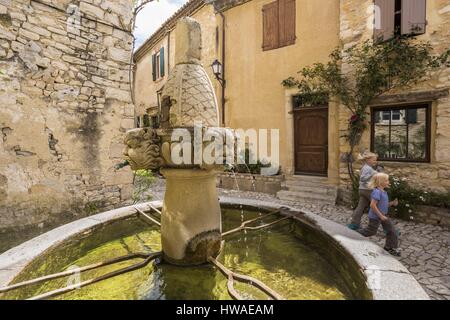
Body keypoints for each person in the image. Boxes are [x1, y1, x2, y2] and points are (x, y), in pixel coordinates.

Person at [358, 173, 400, 256]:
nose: (388, 182)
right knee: (370, 231)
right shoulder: (377, 192)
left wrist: (391, 203)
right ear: (381, 182)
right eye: (387, 180)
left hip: (383, 216)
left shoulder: (383, 192)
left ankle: (389, 247)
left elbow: (382, 205)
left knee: (391, 231)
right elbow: (372, 205)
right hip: (376, 217)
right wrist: (380, 216)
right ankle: (353, 233)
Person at [348, 151, 382, 230]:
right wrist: (373, 173)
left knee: (360, 207)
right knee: (380, 207)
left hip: (363, 190)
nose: (375, 161)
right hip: (368, 190)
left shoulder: (367, 167)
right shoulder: (367, 168)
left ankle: (354, 224)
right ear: (368, 160)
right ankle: (388, 229)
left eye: (376, 160)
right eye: (374, 160)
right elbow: (363, 178)